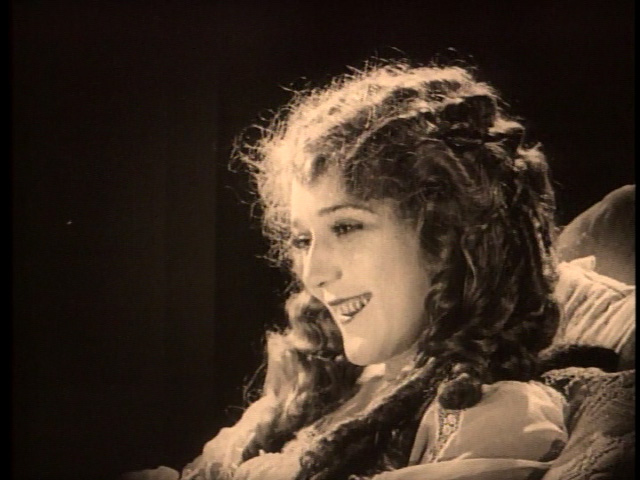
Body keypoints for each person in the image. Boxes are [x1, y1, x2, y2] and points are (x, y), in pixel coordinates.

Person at [125, 61, 622, 480]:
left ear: (447, 237)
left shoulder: (492, 415)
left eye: (346, 227)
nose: (314, 274)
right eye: (303, 240)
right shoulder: (319, 392)